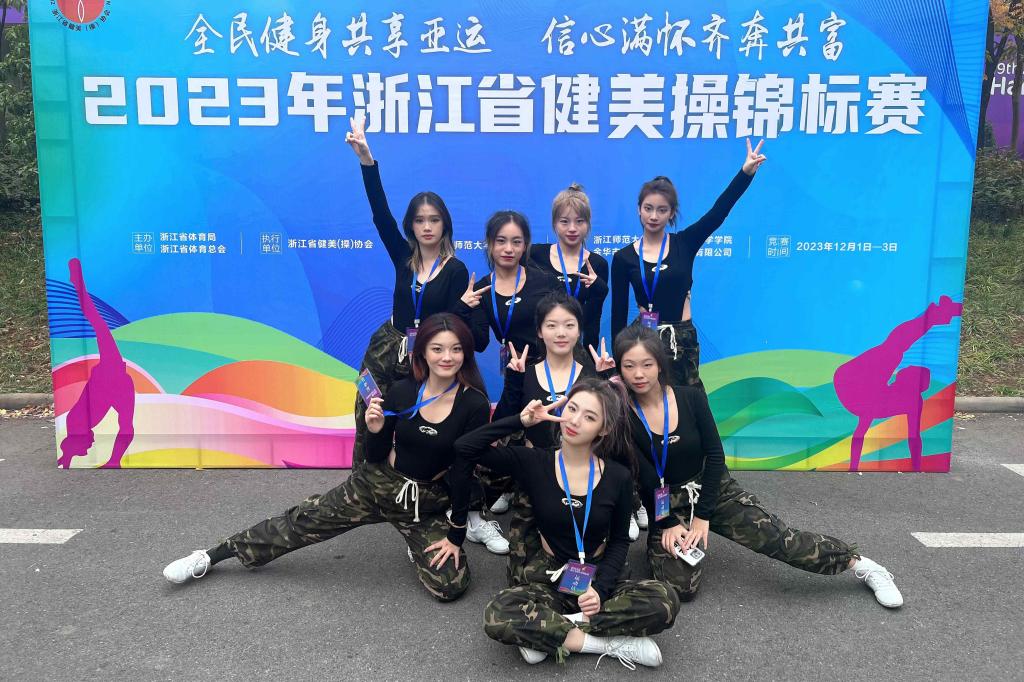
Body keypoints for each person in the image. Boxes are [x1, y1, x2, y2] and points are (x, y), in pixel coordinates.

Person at [162, 314, 488, 602]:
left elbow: (463, 473)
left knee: (451, 586)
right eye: (437, 348)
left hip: (423, 503)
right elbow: (374, 454)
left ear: (466, 353)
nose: (447, 357)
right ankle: (213, 554)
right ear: (423, 352)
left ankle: (416, 547)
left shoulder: (473, 404)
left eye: (456, 349)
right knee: (300, 523)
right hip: (377, 485)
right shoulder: (403, 391)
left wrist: (455, 536)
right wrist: (375, 430)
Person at [614, 326, 904, 608]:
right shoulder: (621, 414)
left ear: (660, 364)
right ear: (619, 369)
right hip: (666, 503)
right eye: (629, 366)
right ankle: (671, 546)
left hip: (711, 490)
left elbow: (715, 456)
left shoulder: (690, 398)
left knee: (781, 540)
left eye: (646, 364)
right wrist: (666, 523)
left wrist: (703, 515)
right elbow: (644, 477)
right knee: (681, 589)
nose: (638, 374)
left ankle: (862, 565)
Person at [450, 378, 681, 668]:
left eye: (589, 417)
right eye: (572, 408)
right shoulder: (535, 462)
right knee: (498, 613)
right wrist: (521, 420)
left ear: (604, 429)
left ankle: (548, 634)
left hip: (598, 575)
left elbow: (620, 539)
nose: (574, 421)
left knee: (665, 600)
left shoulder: (617, 476)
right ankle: (602, 643)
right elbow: (464, 447)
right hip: (549, 577)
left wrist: (600, 590)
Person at [345, 116, 470, 469]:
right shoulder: (403, 256)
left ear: (445, 224)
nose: (427, 226)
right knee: (367, 406)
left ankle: (402, 477)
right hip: (386, 347)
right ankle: (364, 475)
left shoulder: (456, 270)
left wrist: (462, 307)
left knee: (409, 420)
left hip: (424, 355)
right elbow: (381, 215)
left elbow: (453, 325)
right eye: (419, 220)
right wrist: (367, 161)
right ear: (411, 225)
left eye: (434, 219)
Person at [610, 139, 767, 387]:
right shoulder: (623, 258)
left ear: (672, 212)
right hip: (643, 341)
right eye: (648, 208)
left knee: (687, 403)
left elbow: (718, 213)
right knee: (645, 404)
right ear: (639, 209)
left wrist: (745, 173)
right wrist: (618, 364)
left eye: (662, 210)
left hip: (682, 340)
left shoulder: (685, 243)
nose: (653, 216)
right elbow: (618, 316)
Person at [491, 291, 619, 581]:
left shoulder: (591, 375)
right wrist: (513, 383)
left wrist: (605, 380)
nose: (561, 333)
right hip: (537, 473)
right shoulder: (525, 373)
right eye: (551, 325)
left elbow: (610, 429)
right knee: (520, 576)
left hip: (583, 476)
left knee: (591, 566)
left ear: (579, 329)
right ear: (539, 331)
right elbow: (502, 425)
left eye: (569, 325)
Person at [528, 183, 608, 349]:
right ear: (554, 223)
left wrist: (589, 358)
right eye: (564, 222)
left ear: (588, 224)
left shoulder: (597, 264)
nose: (572, 228)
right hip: (538, 349)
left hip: (576, 348)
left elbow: (593, 321)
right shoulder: (535, 255)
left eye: (579, 221)